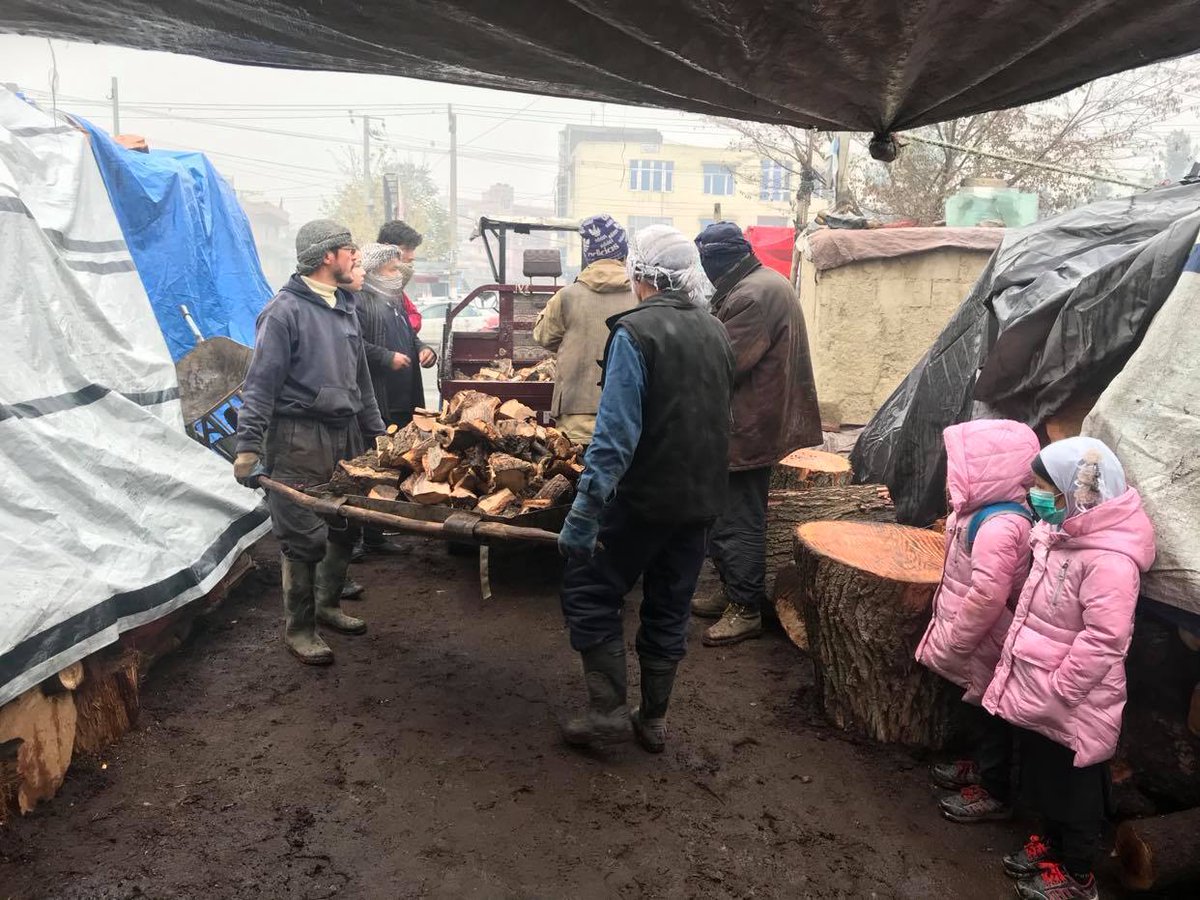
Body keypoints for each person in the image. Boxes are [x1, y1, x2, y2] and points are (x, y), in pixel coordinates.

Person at [557, 224, 734, 754]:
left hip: (641, 501)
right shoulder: (715, 329)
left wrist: (585, 512)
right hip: (699, 502)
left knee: (591, 591)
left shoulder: (635, 333)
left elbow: (614, 437)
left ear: (641, 273)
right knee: (668, 606)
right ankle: (652, 720)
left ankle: (608, 712)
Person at [982, 437, 1155, 900]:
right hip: (1045, 691)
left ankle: (1079, 874)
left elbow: (1106, 638)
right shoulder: (1060, 539)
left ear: (1075, 493)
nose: (1036, 497)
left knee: (1077, 786)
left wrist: (1061, 687)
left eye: (1044, 488)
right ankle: (1051, 844)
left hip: (1077, 698)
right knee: (1045, 774)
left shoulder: (1110, 561)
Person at [233, 219, 386, 666]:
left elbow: (362, 379)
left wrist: (376, 433)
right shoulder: (284, 312)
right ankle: (300, 629)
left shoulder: (345, 305)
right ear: (327, 257)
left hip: (346, 435)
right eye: (349, 249)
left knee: (345, 524)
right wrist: (247, 449)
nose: (355, 256)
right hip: (299, 437)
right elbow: (259, 385)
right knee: (303, 536)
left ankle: (327, 605)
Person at [691, 221, 821, 647]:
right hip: (758, 419)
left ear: (717, 260)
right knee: (730, 514)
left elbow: (720, 364)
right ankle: (734, 591)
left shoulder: (749, 295)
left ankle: (744, 607)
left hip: (747, 426)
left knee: (736, 520)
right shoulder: (764, 282)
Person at [915, 420, 1040, 824]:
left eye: (962, 464)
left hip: (987, 637)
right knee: (974, 705)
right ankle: (977, 765)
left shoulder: (1000, 526)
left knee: (991, 713)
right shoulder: (974, 514)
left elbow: (988, 595)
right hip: (975, 638)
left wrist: (957, 639)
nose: (953, 471)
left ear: (989, 469)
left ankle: (995, 790)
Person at [533, 214, 637, 445]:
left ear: (589, 255)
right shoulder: (643, 295)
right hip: (631, 419)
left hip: (577, 423)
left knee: (578, 478)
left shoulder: (567, 297)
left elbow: (543, 336)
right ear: (624, 253)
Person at [376, 219, 425, 333]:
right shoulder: (367, 288)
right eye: (406, 249)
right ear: (387, 249)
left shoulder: (397, 290)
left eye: (413, 250)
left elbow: (414, 316)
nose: (412, 256)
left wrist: (421, 347)